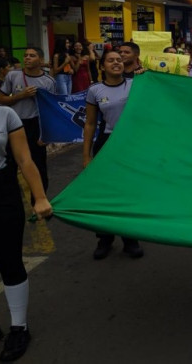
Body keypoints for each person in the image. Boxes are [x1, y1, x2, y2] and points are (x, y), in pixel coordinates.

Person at [0, 62, 52, 362]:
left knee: (10, 262)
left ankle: (19, 327)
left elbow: (25, 160)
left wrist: (39, 198)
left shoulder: (6, 114)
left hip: (2, 197)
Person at [83, 50, 144, 260]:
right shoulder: (95, 90)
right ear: (102, 66)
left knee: (128, 192)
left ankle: (130, 239)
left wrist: (147, 77)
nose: (116, 63)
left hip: (131, 145)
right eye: (111, 60)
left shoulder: (136, 84)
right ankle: (105, 239)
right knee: (105, 194)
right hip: (106, 144)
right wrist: (86, 156)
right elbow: (90, 124)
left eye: (119, 60)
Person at [0, 48, 55, 194]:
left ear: (41, 60)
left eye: (32, 55)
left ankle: (39, 201)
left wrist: (47, 134)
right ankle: (11, 198)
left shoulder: (48, 81)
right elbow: (1, 99)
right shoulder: (13, 75)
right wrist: (20, 96)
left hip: (36, 125)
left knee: (38, 164)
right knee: (10, 164)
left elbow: (52, 110)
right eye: (25, 55)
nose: (27, 58)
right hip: (14, 125)